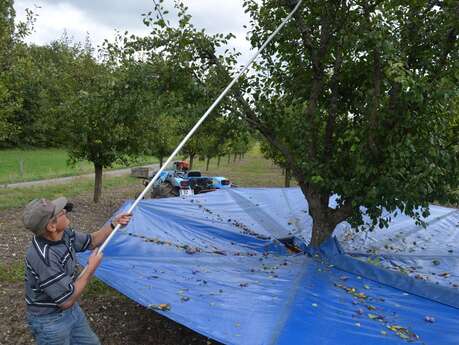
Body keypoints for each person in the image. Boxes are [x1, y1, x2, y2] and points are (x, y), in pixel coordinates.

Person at [22, 196, 132, 345]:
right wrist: (91, 268)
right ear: (51, 226)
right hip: (50, 322)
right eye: (61, 213)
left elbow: (92, 241)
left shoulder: (65, 234)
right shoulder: (43, 257)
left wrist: (114, 224)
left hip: (71, 311)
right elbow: (66, 301)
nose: (66, 211)